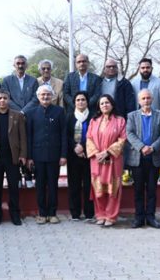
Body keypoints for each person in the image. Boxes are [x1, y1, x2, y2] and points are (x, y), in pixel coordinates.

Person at [26, 85, 67, 224]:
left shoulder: (59, 112)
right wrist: (29, 157)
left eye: (48, 95)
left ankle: (53, 213)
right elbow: (29, 136)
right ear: (38, 96)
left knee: (53, 184)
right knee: (40, 185)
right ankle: (42, 213)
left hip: (54, 156)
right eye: (42, 95)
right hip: (37, 156)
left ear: (52, 96)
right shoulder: (31, 113)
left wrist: (63, 155)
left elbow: (63, 135)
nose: (45, 97)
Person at [0, 89, 27, 226]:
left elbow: (23, 137)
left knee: (13, 187)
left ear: (8, 99)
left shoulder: (17, 116)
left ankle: (15, 214)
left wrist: (23, 155)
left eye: (5, 98)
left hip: (12, 157)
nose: (2, 100)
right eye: (0, 98)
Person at [125, 89, 160, 229]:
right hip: (138, 157)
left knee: (152, 189)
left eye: (148, 98)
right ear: (139, 101)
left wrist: (153, 147)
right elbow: (129, 133)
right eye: (143, 98)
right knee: (138, 189)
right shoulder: (131, 116)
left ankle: (151, 217)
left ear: (152, 99)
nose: (146, 101)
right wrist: (141, 147)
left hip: (154, 157)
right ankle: (139, 217)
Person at [86, 94, 127, 227]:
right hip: (96, 160)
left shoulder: (120, 121)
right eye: (102, 103)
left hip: (113, 160)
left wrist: (108, 152)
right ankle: (100, 214)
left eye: (107, 102)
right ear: (99, 106)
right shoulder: (94, 121)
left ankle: (111, 216)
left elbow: (122, 139)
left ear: (112, 104)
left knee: (113, 189)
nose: (105, 105)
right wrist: (97, 153)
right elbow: (89, 139)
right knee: (98, 188)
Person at [2, 55, 38, 188]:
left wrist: (24, 111)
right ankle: (16, 176)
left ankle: (28, 175)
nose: (20, 65)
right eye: (18, 63)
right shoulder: (7, 80)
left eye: (23, 63)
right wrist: (19, 112)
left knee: (27, 144)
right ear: (14, 65)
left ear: (26, 65)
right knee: (15, 145)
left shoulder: (33, 81)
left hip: (29, 117)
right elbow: (6, 98)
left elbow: (35, 98)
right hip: (13, 118)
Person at [65, 91, 94, 221]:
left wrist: (82, 146)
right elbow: (66, 135)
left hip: (89, 155)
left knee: (89, 185)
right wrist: (75, 147)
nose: (80, 102)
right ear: (74, 102)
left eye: (83, 100)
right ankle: (75, 213)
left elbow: (93, 135)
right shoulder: (69, 117)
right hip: (73, 155)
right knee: (74, 184)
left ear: (87, 102)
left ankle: (89, 213)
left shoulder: (93, 117)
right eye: (78, 100)